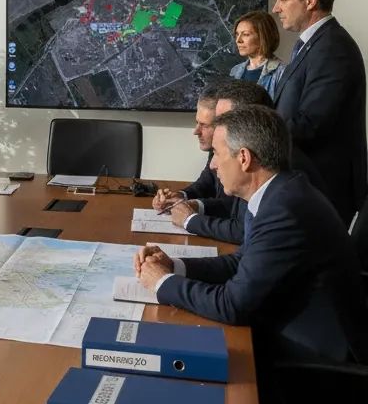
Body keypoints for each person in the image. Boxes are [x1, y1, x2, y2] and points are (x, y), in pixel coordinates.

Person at [136, 106, 366, 363]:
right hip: (286, 329)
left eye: (217, 153)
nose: (212, 165)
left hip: (313, 362)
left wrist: (162, 282)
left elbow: (232, 306)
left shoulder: (285, 210)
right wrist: (175, 266)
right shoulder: (280, 191)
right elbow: (240, 262)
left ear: (244, 158)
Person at [272, 0, 367, 225]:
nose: (275, 8)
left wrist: (259, 130)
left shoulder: (332, 48)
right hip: (308, 183)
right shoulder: (312, 43)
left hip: (323, 186)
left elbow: (311, 124)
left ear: (310, 0)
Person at [168, 80, 273, 244]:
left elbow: (243, 231)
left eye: (222, 121)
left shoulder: (269, 168)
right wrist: (192, 203)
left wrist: (191, 220)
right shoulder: (238, 151)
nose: (213, 165)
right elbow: (230, 206)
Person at [151, 87, 220, 212]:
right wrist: (179, 196)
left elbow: (230, 207)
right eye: (197, 122)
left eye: (204, 125)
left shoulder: (237, 155)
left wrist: (192, 206)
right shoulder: (214, 150)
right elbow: (205, 184)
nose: (195, 132)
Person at [229, 9, 284, 100]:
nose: (238, 40)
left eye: (246, 34)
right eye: (237, 34)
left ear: (263, 37)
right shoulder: (235, 71)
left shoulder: (281, 72)